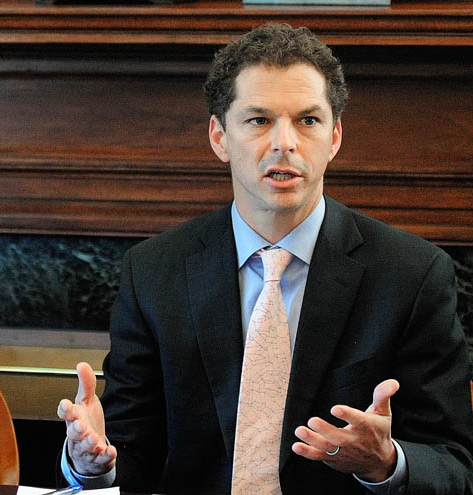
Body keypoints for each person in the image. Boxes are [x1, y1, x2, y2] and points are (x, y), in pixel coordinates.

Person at [57, 23, 473, 494]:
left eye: (307, 121)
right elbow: (131, 451)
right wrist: (91, 464)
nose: (285, 143)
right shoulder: (154, 271)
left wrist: (386, 462)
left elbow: (456, 465)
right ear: (219, 137)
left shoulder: (412, 275)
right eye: (258, 120)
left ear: (334, 137)